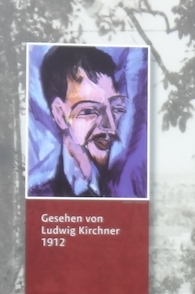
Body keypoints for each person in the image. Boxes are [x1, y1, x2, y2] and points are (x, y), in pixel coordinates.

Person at [31, 45, 131, 198]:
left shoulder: (126, 183)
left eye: (115, 109)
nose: (110, 127)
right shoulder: (38, 191)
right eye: (89, 111)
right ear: (59, 114)